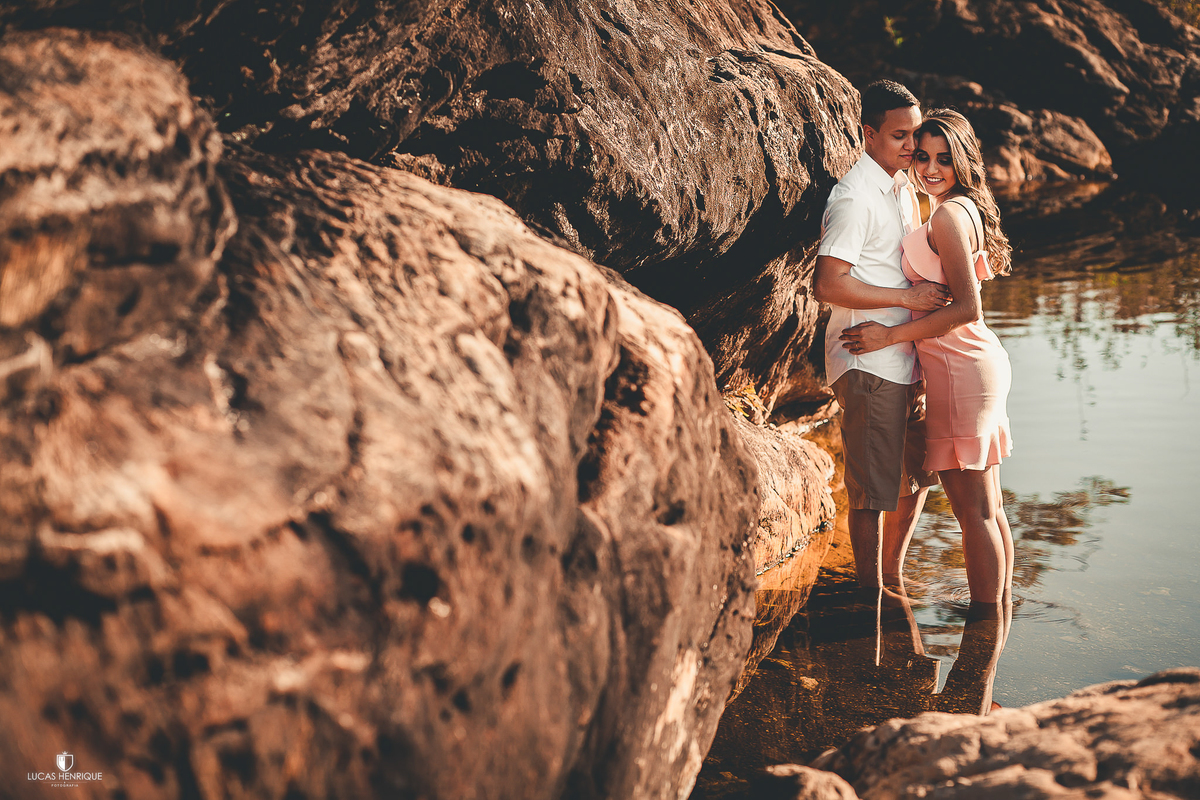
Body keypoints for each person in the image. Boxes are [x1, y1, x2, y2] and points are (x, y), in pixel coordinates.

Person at [838, 108, 1015, 607]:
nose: (932, 168)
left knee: (974, 513)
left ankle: (983, 630)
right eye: (923, 156)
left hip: (962, 369)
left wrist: (889, 338)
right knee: (989, 508)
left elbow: (966, 307)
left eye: (945, 158)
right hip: (971, 364)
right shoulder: (962, 206)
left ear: (963, 160)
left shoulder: (947, 215)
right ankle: (997, 624)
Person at [813, 80, 948, 593]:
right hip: (867, 360)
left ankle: (890, 582)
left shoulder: (904, 188)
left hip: (907, 356)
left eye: (915, 133)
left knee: (915, 477)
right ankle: (865, 597)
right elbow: (828, 283)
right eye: (898, 135)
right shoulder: (853, 198)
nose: (912, 146)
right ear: (868, 134)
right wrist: (907, 303)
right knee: (871, 492)